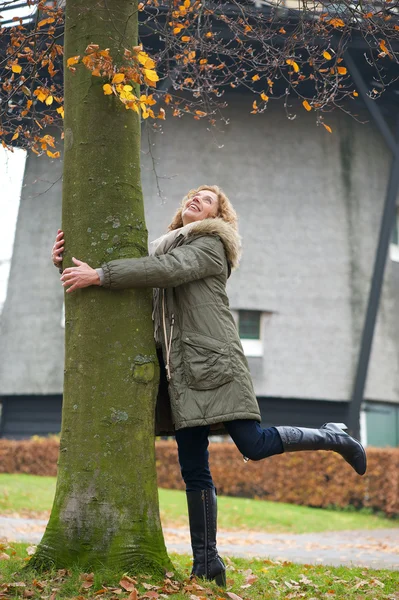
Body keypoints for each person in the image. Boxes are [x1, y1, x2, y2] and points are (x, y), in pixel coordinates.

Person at [52, 184, 367, 587]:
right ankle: (208, 563)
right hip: (181, 374)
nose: (194, 200)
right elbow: (140, 284)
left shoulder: (209, 247)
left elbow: (167, 271)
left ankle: (335, 437)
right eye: (191, 196)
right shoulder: (166, 249)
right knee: (194, 469)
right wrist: (67, 261)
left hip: (215, 364)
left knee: (252, 444)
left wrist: (102, 273)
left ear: (218, 217)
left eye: (206, 199)